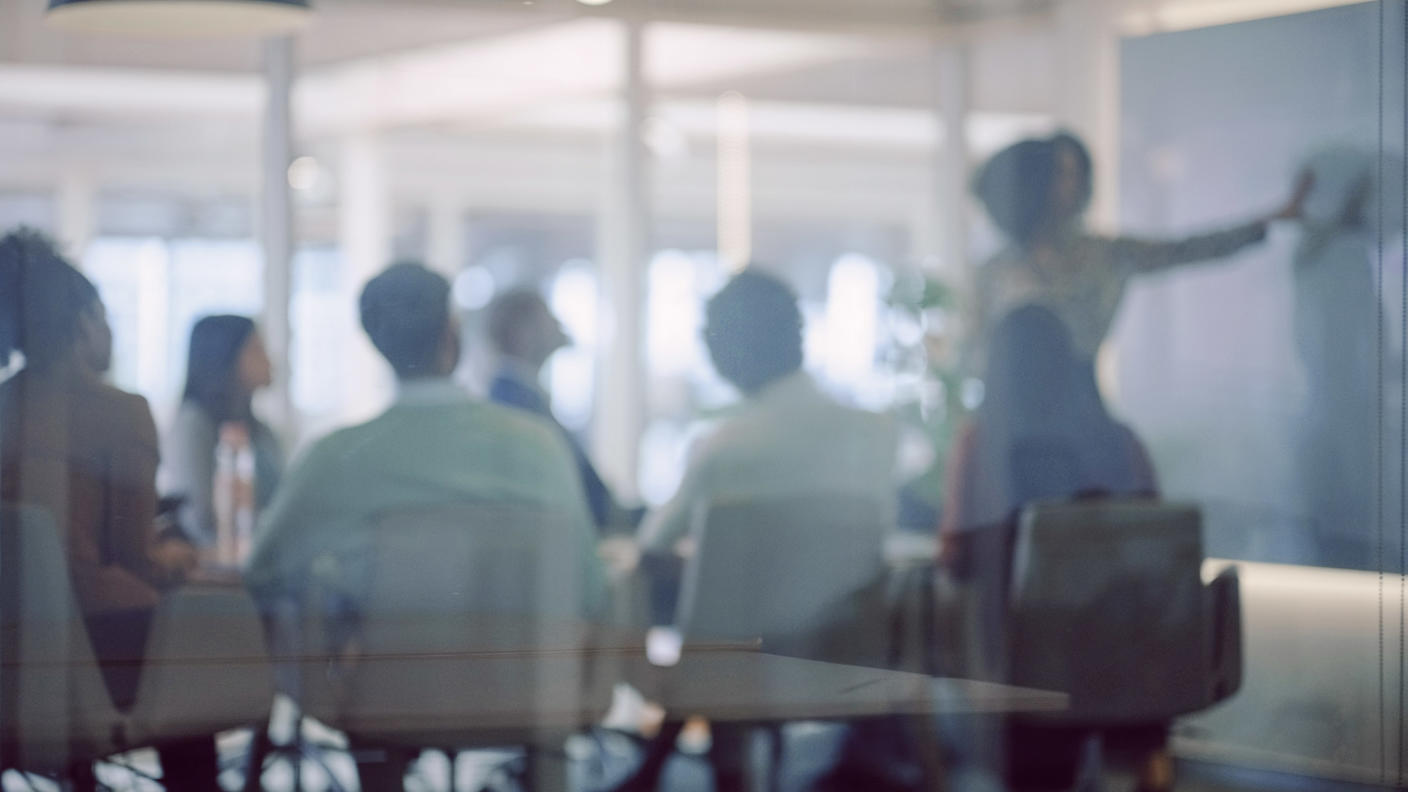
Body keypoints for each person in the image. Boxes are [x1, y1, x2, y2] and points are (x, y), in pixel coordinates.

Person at [244, 262, 606, 790]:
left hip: (384, 700)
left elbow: (263, 572)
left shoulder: (336, 458)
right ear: (451, 336)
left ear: (376, 345)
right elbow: (589, 590)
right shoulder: (539, 447)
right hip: (529, 693)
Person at [632, 268, 901, 792]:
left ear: (727, 351)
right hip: (848, 656)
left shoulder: (726, 446)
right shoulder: (875, 435)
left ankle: (679, 768)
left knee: (720, 620)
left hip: (737, 671)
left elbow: (652, 546)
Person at [0, 228, 217, 791]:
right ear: (82, 323)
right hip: (97, 645)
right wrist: (176, 558)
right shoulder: (120, 413)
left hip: (11, 656)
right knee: (198, 647)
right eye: (104, 314)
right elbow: (133, 557)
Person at [937, 304, 1159, 792]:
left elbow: (955, 562)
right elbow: (1157, 553)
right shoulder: (1123, 442)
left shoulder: (981, 444)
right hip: (1130, 664)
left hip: (1024, 674)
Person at [970, 131, 1309, 370]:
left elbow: (1187, 249)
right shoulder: (996, 271)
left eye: (1074, 174)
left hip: (1081, 415)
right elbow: (974, 356)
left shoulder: (1105, 255)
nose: (1069, 186)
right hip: (1014, 424)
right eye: (1059, 174)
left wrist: (1267, 221)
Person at [1291, 147, 1389, 569]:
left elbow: (1372, 330)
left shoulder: (1352, 262)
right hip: (1331, 390)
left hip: (1354, 391)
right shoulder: (1320, 256)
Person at [486, 288, 637, 533]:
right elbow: (588, 497)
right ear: (520, 334)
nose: (558, 325)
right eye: (546, 317)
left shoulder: (521, 400)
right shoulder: (520, 408)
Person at [161, 315, 282, 552]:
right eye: (257, 349)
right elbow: (199, 517)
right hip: (214, 568)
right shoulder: (192, 425)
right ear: (225, 357)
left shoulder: (263, 431)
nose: (270, 360)